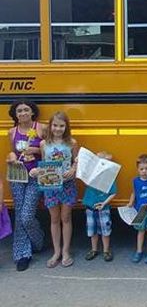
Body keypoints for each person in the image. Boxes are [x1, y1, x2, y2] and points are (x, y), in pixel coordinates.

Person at [31, 112, 78, 268]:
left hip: (67, 185)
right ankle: (56, 251)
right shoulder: (44, 144)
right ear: (50, 126)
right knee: (54, 219)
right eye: (55, 125)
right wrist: (37, 171)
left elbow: (76, 162)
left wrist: (73, 169)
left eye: (61, 126)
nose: (58, 129)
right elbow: (44, 163)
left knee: (66, 218)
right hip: (50, 185)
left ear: (66, 127)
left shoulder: (71, 142)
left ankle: (66, 251)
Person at [6, 100, 46, 271]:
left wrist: (35, 151)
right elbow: (12, 151)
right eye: (19, 111)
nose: (22, 113)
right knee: (19, 214)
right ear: (15, 114)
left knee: (26, 216)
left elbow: (50, 150)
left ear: (32, 112)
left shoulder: (40, 128)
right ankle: (22, 254)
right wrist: (12, 157)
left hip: (35, 176)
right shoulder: (12, 132)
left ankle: (38, 241)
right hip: (17, 175)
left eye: (26, 110)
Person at [82, 151, 117, 262]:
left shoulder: (109, 179)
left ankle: (106, 250)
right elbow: (83, 176)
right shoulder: (90, 178)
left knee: (105, 230)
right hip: (90, 208)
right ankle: (94, 249)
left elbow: (113, 193)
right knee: (92, 230)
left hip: (103, 208)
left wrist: (104, 203)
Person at [127, 154, 147, 264]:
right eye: (141, 169)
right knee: (140, 231)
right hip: (139, 211)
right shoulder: (135, 181)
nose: (144, 171)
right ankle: (139, 251)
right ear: (138, 169)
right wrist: (131, 202)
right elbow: (134, 193)